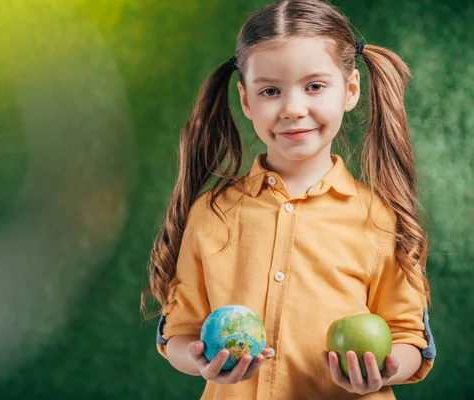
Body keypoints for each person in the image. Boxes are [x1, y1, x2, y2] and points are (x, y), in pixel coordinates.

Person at [140, 0, 436, 398]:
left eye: (314, 86)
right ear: (246, 101)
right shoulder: (213, 214)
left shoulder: (379, 216)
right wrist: (200, 361)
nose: (293, 109)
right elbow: (179, 333)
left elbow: (409, 338)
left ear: (350, 90)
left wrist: (385, 370)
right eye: (270, 91)